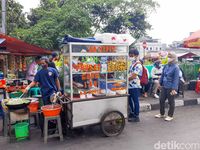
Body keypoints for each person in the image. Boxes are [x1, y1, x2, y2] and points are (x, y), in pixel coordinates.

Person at [155, 52, 180, 121]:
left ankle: (170, 115)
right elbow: (162, 75)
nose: (169, 58)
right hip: (164, 86)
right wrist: (160, 83)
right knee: (161, 100)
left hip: (171, 87)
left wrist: (174, 89)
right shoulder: (166, 66)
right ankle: (162, 114)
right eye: (168, 57)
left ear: (174, 58)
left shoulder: (176, 68)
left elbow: (176, 79)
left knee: (171, 102)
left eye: (170, 57)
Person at [128, 48, 143, 122]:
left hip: (135, 86)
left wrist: (125, 80)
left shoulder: (138, 64)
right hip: (129, 85)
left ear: (135, 55)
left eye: (131, 55)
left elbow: (134, 76)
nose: (130, 56)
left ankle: (136, 116)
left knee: (135, 101)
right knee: (129, 100)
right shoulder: (132, 63)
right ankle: (132, 112)